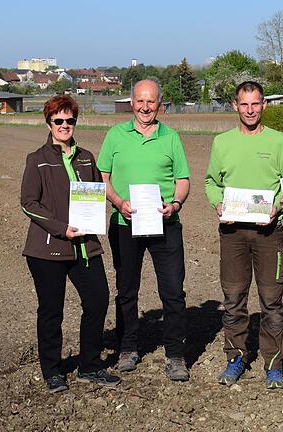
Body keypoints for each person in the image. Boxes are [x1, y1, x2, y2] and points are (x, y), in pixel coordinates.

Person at [21, 95, 121, 393]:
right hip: (48, 249)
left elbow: (94, 193)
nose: (65, 126)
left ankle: (89, 365)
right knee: (51, 310)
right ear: (48, 123)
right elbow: (28, 203)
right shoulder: (36, 159)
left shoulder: (87, 157)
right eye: (58, 121)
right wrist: (60, 228)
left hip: (85, 247)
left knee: (98, 300)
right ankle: (52, 370)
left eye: (70, 120)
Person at [97, 79, 191, 381]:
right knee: (126, 290)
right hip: (126, 224)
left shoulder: (171, 137)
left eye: (151, 101)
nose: (145, 107)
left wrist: (174, 204)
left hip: (165, 224)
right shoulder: (115, 135)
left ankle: (175, 354)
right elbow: (103, 178)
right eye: (140, 101)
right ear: (132, 102)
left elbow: (183, 181)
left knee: (173, 292)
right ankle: (127, 348)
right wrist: (118, 202)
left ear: (159, 103)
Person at [204, 81, 283, 389]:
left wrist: (276, 210)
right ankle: (236, 358)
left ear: (264, 105)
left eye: (255, 104)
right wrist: (218, 203)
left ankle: (273, 364)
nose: (250, 110)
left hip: (268, 233)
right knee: (233, 299)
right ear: (235, 106)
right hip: (232, 234)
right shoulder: (222, 143)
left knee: (271, 300)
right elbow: (211, 182)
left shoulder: (280, 141)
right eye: (244, 105)